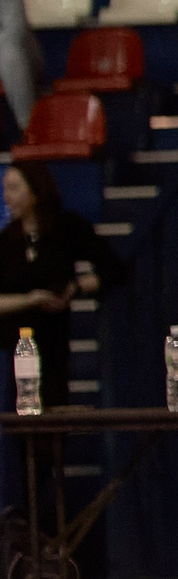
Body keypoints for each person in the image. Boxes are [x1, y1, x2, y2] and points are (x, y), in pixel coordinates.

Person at [0, 161, 127, 409]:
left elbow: (113, 269)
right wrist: (32, 299)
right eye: (4, 189)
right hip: (12, 344)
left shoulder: (67, 228)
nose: (7, 197)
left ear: (35, 190)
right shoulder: (6, 241)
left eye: (14, 188)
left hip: (53, 341)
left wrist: (75, 287)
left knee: (53, 412)